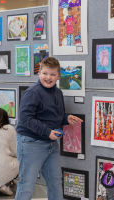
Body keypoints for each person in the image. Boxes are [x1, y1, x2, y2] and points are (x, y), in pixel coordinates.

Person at [15, 57, 83, 200]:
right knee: (27, 185)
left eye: (52, 74)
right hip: (31, 143)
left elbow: (51, 115)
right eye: (45, 73)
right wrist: (47, 131)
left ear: (59, 76)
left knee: (56, 182)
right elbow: (25, 119)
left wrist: (66, 118)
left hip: (51, 143)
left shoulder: (58, 92)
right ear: (39, 73)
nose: (48, 77)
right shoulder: (32, 93)